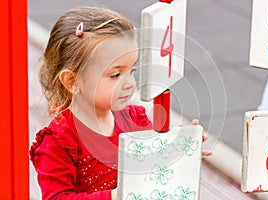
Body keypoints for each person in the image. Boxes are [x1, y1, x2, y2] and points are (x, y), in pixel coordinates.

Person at [30, 6, 210, 200]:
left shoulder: (134, 120)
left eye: (132, 71)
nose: (130, 84)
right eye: (115, 75)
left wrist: (179, 148)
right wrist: (116, 195)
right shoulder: (59, 143)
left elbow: (153, 163)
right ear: (72, 81)